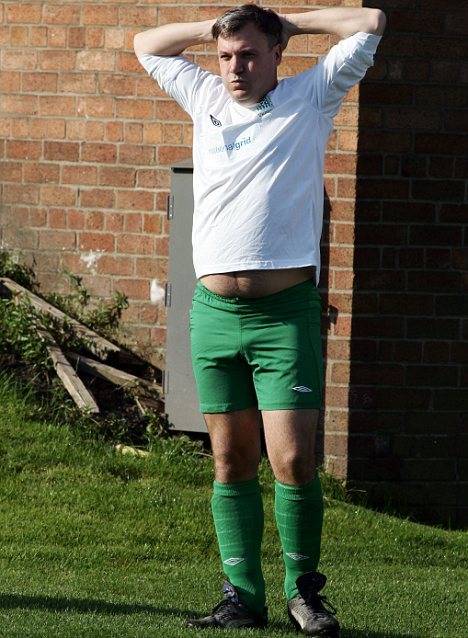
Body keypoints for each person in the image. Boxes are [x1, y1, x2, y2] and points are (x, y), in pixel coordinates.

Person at [134, 4, 385, 636]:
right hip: (214, 313)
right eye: (226, 56)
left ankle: (305, 594)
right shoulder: (204, 95)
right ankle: (241, 596)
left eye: (248, 54)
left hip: (286, 315)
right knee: (229, 460)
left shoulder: (313, 96)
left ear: (276, 54)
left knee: (294, 460)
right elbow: (145, 43)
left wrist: (286, 24)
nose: (234, 68)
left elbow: (371, 20)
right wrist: (214, 30)